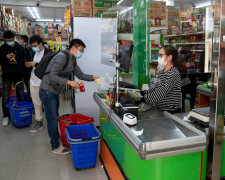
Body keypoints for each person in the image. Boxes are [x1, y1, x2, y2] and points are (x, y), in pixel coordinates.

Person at [39, 38, 99, 154]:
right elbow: (52, 76)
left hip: (54, 91)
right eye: (81, 50)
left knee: (54, 117)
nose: (82, 53)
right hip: (47, 90)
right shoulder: (62, 57)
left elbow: (80, 74)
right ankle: (55, 146)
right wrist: (69, 82)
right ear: (73, 48)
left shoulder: (72, 59)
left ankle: (55, 139)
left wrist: (93, 77)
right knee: (52, 120)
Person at [142, 46, 181, 113]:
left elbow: (161, 93)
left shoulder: (173, 73)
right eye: (158, 55)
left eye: (160, 55)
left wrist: (144, 98)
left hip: (170, 112)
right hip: (161, 109)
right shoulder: (162, 72)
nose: (158, 57)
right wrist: (144, 92)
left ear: (169, 57)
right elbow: (158, 88)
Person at [25, 35, 51, 133]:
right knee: (36, 104)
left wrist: (35, 64)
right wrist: (28, 65)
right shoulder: (33, 52)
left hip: (44, 83)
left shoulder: (49, 53)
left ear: (41, 43)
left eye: (36, 45)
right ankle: (39, 121)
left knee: (48, 104)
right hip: (33, 81)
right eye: (32, 46)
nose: (34, 47)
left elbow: (48, 67)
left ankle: (52, 123)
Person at [0, 31, 26, 126]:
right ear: (4, 40)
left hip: (18, 75)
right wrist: (5, 57)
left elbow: (24, 60)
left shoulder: (20, 48)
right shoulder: (2, 48)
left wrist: (23, 74)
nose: (9, 42)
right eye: (7, 41)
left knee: (20, 95)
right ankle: (6, 116)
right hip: (7, 75)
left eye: (11, 40)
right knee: (5, 96)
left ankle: (21, 112)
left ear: (14, 38)